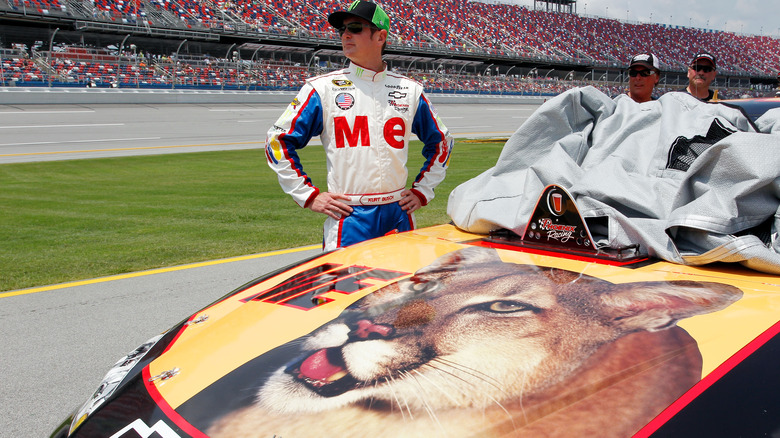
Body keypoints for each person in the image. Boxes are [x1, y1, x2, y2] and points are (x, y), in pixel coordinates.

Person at [265, 0, 453, 251]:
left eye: (355, 28)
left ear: (380, 36)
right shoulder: (322, 88)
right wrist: (308, 195)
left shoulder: (410, 90)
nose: (346, 35)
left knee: (400, 289)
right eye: (342, 30)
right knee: (343, 290)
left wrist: (422, 191)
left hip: (398, 214)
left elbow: (442, 141)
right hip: (349, 217)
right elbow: (277, 141)